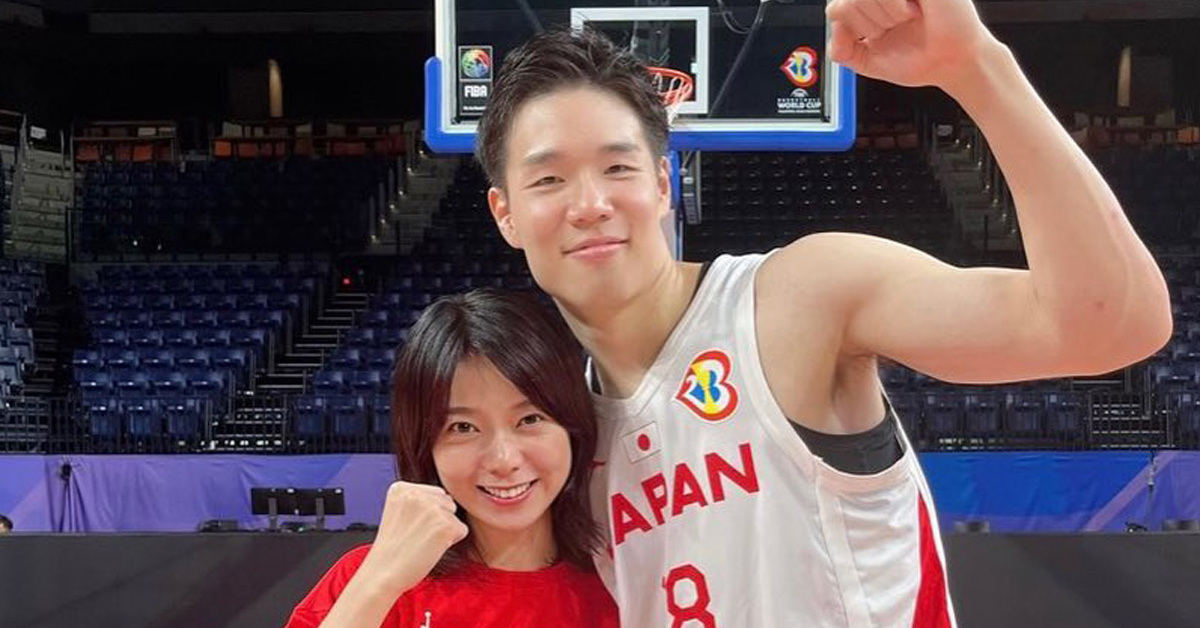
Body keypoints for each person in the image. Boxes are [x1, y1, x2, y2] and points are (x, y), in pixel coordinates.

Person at [475, 1, 1172, 626]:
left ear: (662, 184)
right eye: (549, 178)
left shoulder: (797, 299)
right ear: (506, 213)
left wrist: (976, 68)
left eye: (618, 168)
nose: (590, 203)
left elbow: (1115, 325)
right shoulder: (556, 439)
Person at [284, 289, 618, 628]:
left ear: (572, 424)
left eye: (530, 419)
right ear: (425, 444)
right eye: (463, 427)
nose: (503, 460)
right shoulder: (368, 581)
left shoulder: (622, 586)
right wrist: (380, 582)